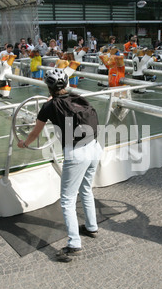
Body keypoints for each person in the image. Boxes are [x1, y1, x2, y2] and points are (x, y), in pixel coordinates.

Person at [17, 68, 103, 263]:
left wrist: (24, 144)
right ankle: (91, 227)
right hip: (95, 147)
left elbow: (34, 133)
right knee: (86, 189)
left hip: (77, 154)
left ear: (48, 86)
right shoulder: (77, 98)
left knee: (67, 200)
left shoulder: (48, 107)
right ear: (66, 84)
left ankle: (74, 244)